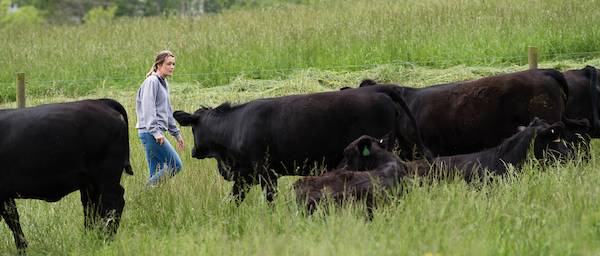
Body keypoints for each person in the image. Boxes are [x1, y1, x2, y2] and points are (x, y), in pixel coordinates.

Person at [135, 50, 185, 185]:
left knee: (156, 172)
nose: (172, 67)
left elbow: (168, 112)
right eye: (169, 64)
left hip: (154, 133)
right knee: (175, 165)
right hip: (149, 133)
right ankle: (143, 193)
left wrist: (176, 134)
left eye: (173, 64)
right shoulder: (152, 81)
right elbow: (148, 108)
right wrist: (156, 132)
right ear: (158, 65)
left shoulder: (163, 83)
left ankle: (148, 200)